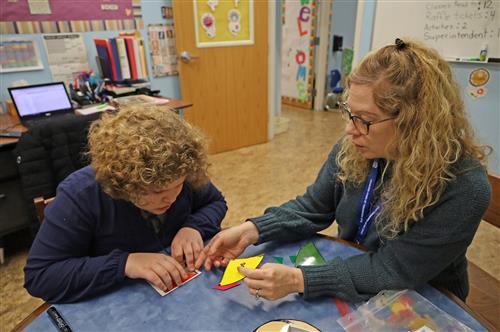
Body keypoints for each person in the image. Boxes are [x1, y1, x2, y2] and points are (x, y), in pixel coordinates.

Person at [196, 38, 492, 303]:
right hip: (355, 275)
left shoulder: (463, 186)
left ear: (414, 122)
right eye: (349, 113)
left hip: (424, 297)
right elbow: (314, 207)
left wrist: (300, 280)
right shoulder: (355, 148)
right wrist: (253, 230)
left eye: (364, 119)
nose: (350, 130)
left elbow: (395, 269)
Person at [24, 105, 228, 303]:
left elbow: (215, 202)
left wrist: (193, 227)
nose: (171, 199)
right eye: (157, 191)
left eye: (178, 186)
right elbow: (40, 276)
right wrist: (125, 264)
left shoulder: (181, 169)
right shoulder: (79, 195)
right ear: (123, 184)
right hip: (120, 306)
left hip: (182, 298)